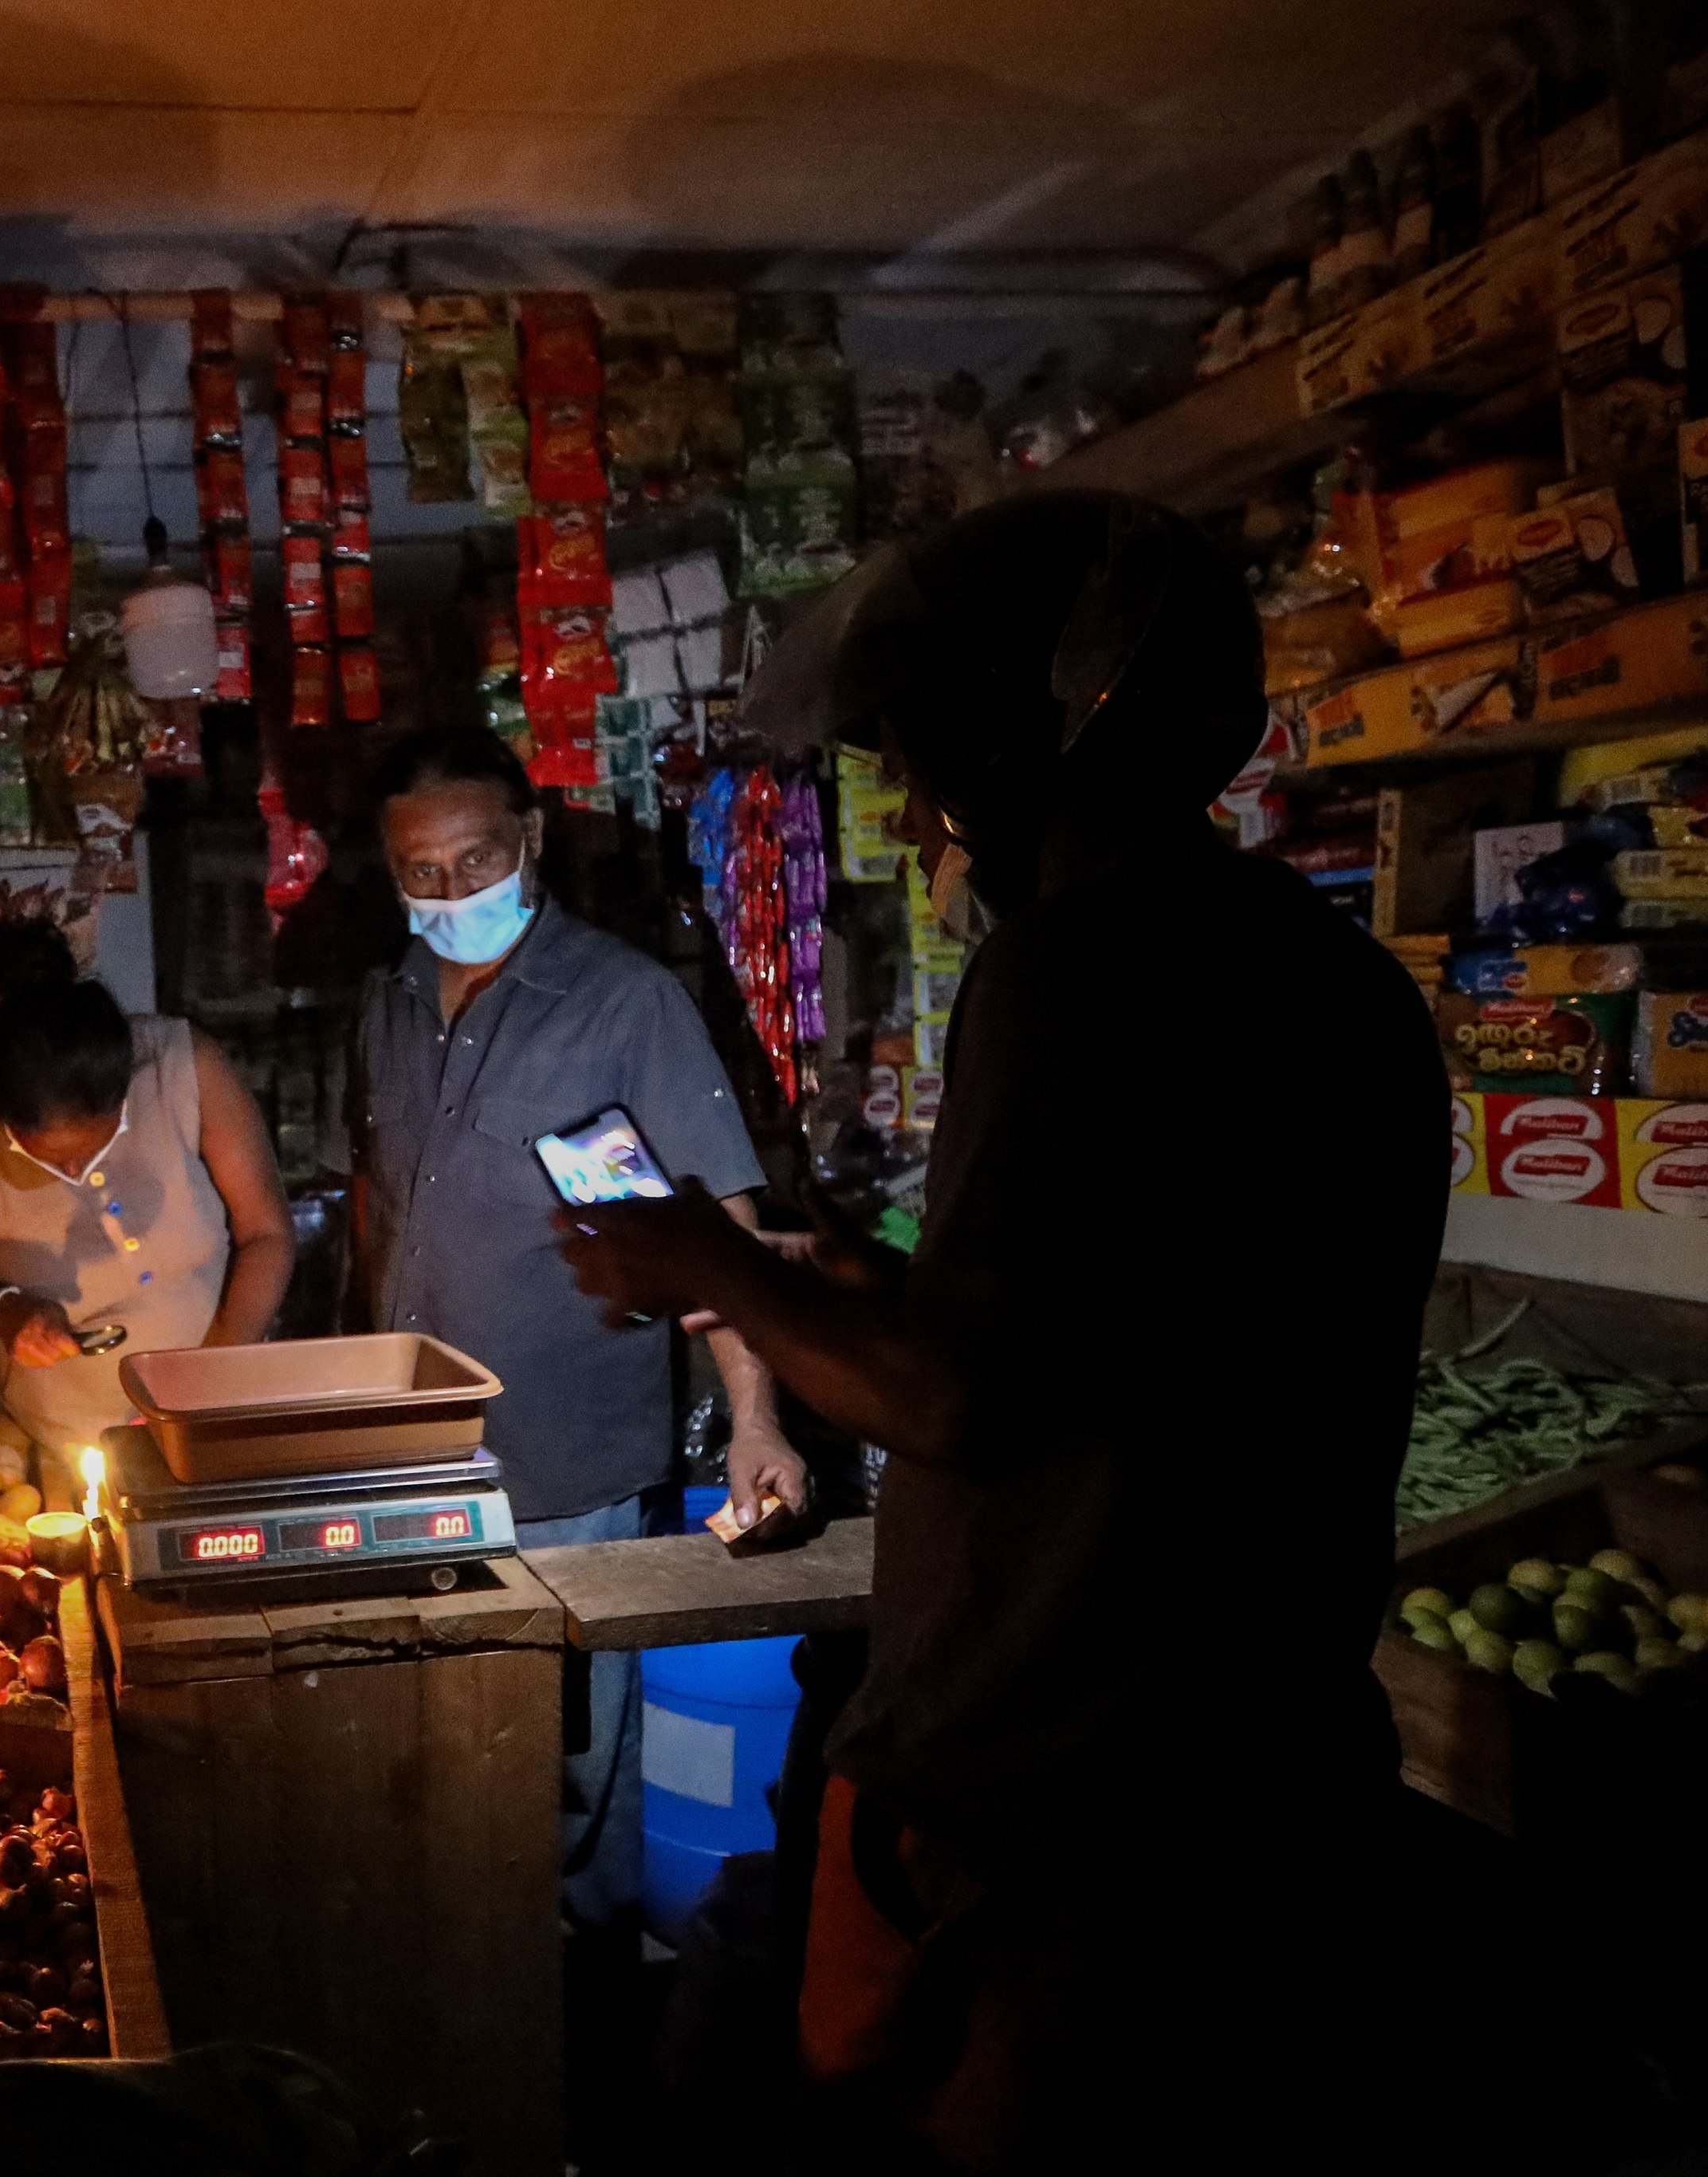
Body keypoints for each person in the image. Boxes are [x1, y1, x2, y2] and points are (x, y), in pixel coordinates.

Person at [552, 491, 1445, 2171]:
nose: (912, 798)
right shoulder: (1336, 983)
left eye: (918, 748)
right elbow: (1119, 1339)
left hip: (1065, 1828)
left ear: (1029, 736)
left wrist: (713, 1264)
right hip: (1268, 1783)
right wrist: (848, 1279)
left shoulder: (1070, 971)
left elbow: (954, 1397)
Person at [325, 722, 803, 1933]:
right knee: (445, 1765)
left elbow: (721, 1228)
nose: (450, 894)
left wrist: (755, 1416)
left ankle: (583, 2049)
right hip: (413, 1467)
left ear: (528, 840)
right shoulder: (381, 1006)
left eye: (474, 862)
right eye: (419, 874)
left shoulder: (621, 1005)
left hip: (568, 1468)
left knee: (575, 1780)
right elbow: (379, 1219)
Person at [0, 921, 294, 1455]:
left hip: (218, 1408)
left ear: (124, 1086)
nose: (76, 1169)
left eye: (97, 1142)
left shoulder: (178, 1067)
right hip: (70, 1436)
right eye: (48, 1157)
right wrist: (2, 1312)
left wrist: (216, 1368)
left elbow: (266, 1233)